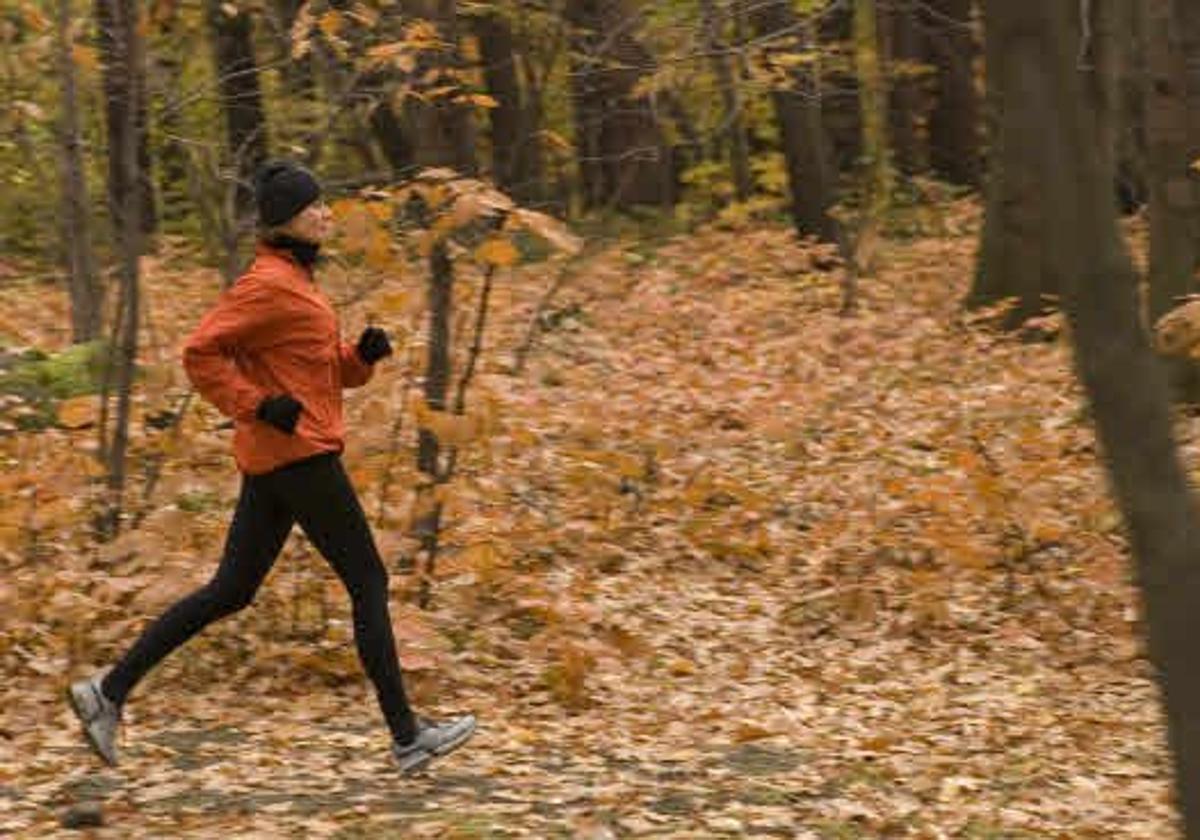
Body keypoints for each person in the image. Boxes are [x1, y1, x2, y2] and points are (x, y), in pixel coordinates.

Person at [67, 160, 475, 773]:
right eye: (316, 208)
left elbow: (308, 369)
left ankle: (108, 692)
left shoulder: (296, 279)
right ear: (288, 219)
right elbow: (199, 352)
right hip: (299, 456)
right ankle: (407, 735)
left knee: (231, 590)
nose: (327, 214)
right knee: (368, 580)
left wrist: (358, 360)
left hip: (281, 456)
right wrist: (256, 405)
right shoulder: (266, 284)